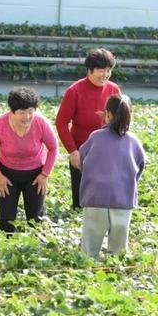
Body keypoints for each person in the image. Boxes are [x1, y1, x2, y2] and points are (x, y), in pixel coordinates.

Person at [79, 94, 146, 258]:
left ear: (107, 114)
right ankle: (115, 273)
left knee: (89, 250)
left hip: (95, 198)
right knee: (118, 252)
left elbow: (82, 159)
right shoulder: (134, 142)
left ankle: (88, 273)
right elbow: (141, 165)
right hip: (122, 200)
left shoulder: (96, 137)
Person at [55, 48, 121, 209]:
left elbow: (122, 119)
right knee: (81, 201)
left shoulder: (114, 90)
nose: (105, 75)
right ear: (89, 70)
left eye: (108, 71)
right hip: (82, 152)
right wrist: (73, 151)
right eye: (100, 70)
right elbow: (61, 122)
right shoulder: (75, 91)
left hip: (108, 152)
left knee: (105, 200)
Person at [0, 87, 58, 233]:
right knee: (6, 218)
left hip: (35, 174)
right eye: (22, 113)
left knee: (36, 218)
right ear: (12, 111)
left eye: (30, 112)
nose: (26, 117)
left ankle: (35, 248)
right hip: (7, 173)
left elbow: (53, 148)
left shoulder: (41, 123)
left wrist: (44, 174)